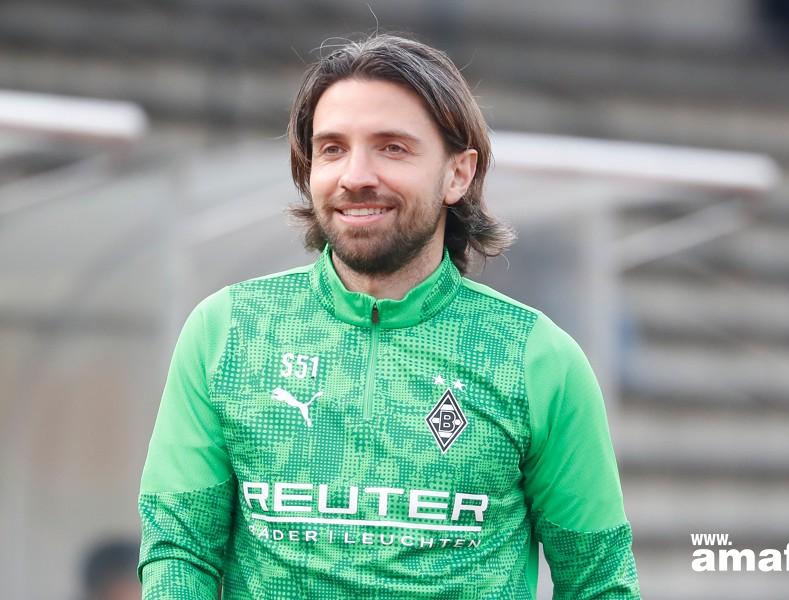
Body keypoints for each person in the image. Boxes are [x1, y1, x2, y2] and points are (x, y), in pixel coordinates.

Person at [138, 33, 640, 599]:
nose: (356, 176)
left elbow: (600, 583)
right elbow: (179, 553)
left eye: (392, 148)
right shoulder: (227, 332)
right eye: (332, 149)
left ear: (458, 174)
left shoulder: (536, 357)